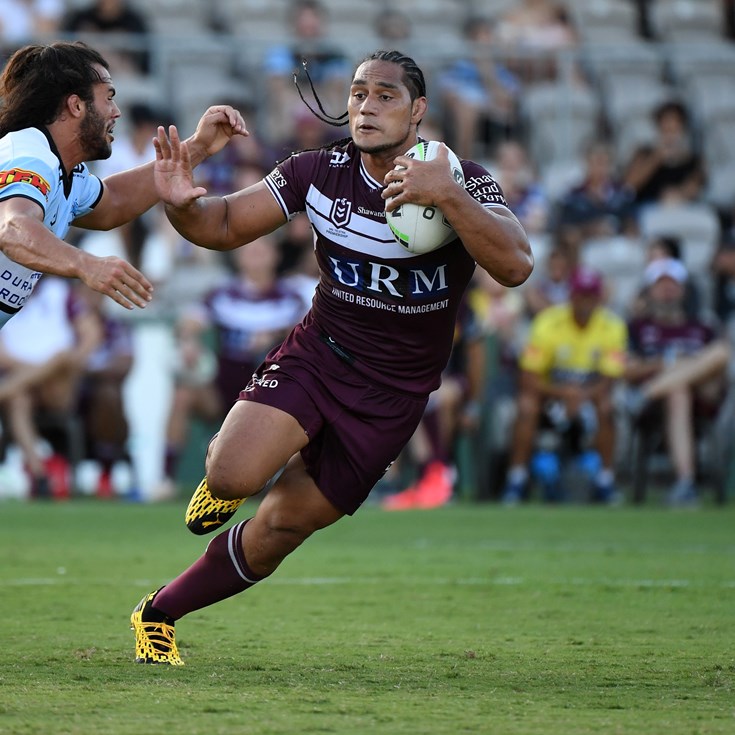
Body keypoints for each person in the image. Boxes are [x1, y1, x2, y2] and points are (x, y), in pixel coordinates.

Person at [129, 49, 533, 664]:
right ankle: (224, 480)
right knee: (234, 474)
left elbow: (516, 265)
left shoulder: (464, 178)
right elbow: (224, 225)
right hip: (320, 355)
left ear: (419, 110)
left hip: (394, 397)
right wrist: (183, 202)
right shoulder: (317, 170)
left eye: (386, 95)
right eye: (358, 93)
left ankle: (157, 613)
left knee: (278, 533)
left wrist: (447, 197)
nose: (367, 106)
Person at [0, 40, 247, 329]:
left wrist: (199, 147)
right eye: (108, 97)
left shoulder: (66, 170)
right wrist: (86, 263)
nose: (116, 111)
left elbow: (113, 202)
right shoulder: (30, 156)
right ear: (76, 105)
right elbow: (13, 228)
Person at [500, 266, 627, 505]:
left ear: (599, 298)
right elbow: (529, 377)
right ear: (572, 296)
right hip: (550, 397)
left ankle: (605, 480)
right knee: (526, 405)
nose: (585, 302)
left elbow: (610, 380)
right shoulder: (548, 323)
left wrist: (578, 395)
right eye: (581, 295)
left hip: (591, 397)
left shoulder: (613, 326)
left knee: (607, 405)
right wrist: (563, 393)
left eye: (591, 296)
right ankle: (516, 478)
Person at [625, 258, 731, 507]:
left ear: (683, 289)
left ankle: (648, 392)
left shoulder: (702, 326)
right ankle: (685, 483)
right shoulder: (638, 327)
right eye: (661, 284)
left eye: (673, 283)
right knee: (678, 391)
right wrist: (668, 363)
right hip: (659, 406)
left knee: (721, 352)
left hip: (704, 395)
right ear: (650, 290)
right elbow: (627, 369)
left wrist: (683, 367)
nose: (667, 289)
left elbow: (717, 368)